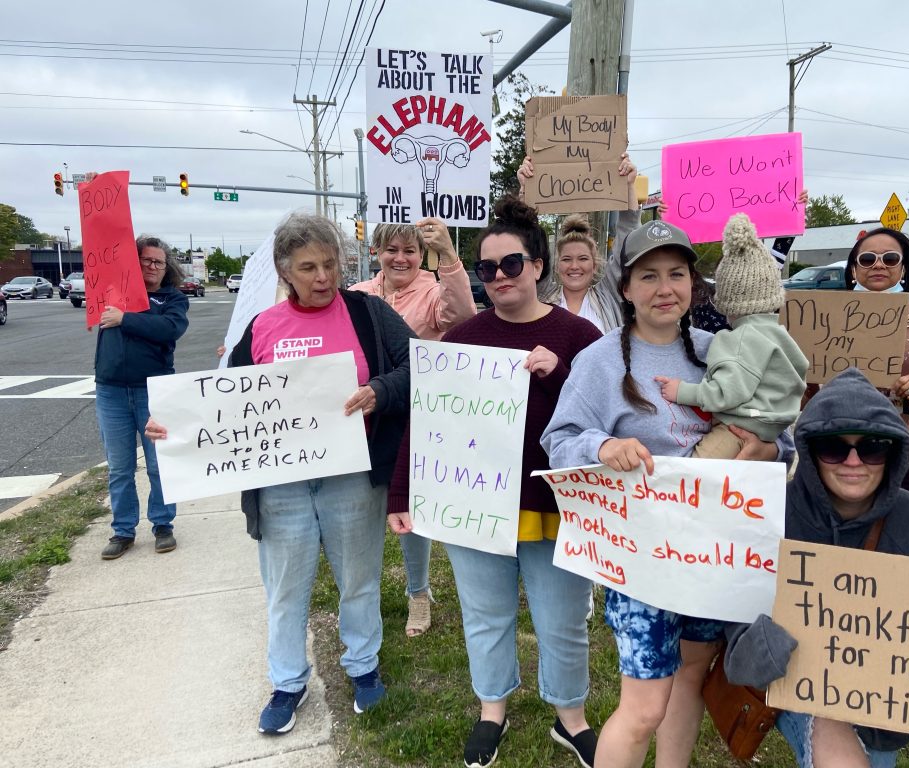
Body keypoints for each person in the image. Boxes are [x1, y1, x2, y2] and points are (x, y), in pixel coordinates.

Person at [147, 212, 414, 734]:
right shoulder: (263, 327)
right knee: (285, 589)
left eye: (331, 264)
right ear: (283, 271)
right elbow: (225, 404)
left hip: (352, 478)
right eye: (309, 267)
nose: (323, 277)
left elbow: (417, 365)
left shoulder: (369, 313)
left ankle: (364, 668)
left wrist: (380, 391)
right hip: (282, 485)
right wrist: (175, 424)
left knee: (358, 581)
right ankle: (288, 682)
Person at [541, 218, 793, 768]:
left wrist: (768, 452)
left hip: (713, 553)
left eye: (676, 274)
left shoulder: (721, 348)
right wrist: (603, 446)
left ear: (694, 284)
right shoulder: (600, 361)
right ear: (625, 289)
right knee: (644, 707)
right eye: (648, 276)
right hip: (641, 560)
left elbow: (783, 433)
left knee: (690, 678)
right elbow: (557, 441)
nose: (664, 288)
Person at [388, 197, 604, 768]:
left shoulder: (579, 338)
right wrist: (401, 494)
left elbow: (601, 424)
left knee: (561, 619)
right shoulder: (460, 341)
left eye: (511, 264)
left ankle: (571, 718)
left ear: (537, 265)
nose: (500, 277)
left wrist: (557, 377)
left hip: (555, 508)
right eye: (486, 269)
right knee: (486, 615)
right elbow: (426, 422)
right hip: (474, 507)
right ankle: (492, 710)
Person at [723, 368, 909, 768]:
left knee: (878, 755)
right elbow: (737, 654)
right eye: (833, 446)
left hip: (883, 702)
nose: (852, 461)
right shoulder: (768, 514)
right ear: (810, 450)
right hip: (799, 685)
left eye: (873, 447)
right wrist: (772, 640)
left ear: (894, 452)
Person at [349, 217, 476, 638]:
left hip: (417, 415)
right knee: (364, 507)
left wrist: (450, 257)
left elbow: (462, 316)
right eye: (392, 250)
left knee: (410, 509)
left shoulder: (432, 293)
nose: (400, 258)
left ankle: (418, 593)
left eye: (409, 251)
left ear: (421, 256)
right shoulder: (359, 294)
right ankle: (360, 595)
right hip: (367, 418)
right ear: (377, 254)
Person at [654, 212, 808, 459]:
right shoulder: (779, 335)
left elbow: (727, 392)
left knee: (696, 473)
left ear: (727, 299)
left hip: (738, 429)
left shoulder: (741, 339)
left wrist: (682, 391)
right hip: (769, 425)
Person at [843, 227, 909, 513]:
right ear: (854, 270)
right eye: (867, 259)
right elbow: (807, 390)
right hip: (846, 453)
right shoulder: (827, 315)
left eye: (890, 258)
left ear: (903, 268)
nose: (879, 264)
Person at [97, 235, 189, 560]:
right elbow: (103, 243)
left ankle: (163, 525)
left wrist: (125, 319)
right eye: (145, 260)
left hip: (155, 390)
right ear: (133, 263)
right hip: (111, 391)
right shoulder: (111, 292)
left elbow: (168, 329)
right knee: (120, 467)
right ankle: (123, 530)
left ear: (167, 268)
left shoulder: (173, 300)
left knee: (158, 464)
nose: (151, 266)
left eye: (158, 262)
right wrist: (96, 188)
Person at [518, 153, 639, 333]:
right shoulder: (542, 296)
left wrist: (628, 186)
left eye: (583, 258)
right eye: (567, 259)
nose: (574, 266)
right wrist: (526, 190)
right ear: (557, 265)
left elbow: (628, 238)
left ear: (595, 265)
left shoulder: (608, 296)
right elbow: (524, 241)